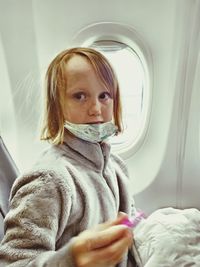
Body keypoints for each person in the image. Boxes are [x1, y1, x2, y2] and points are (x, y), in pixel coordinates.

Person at [0, 47, 136, 267]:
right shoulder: (49, 179)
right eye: (79, 96)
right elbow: (13, 263)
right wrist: (70, 260)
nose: (95, 108)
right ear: (57, 107)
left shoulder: (116, 167)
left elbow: (128, 220)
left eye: (104, 95)